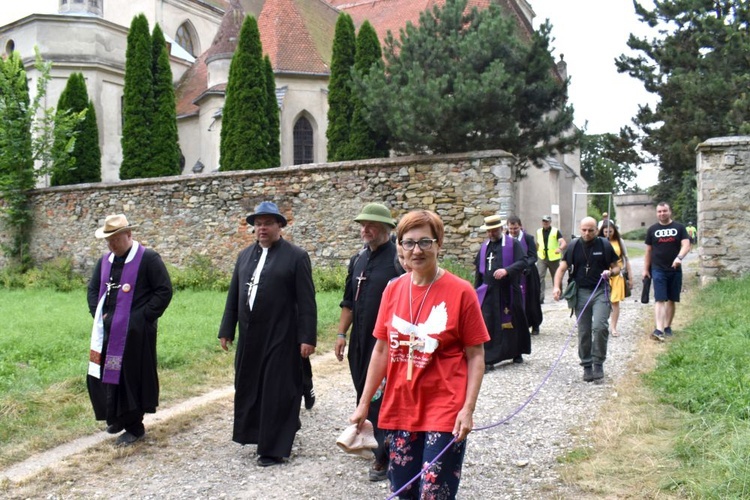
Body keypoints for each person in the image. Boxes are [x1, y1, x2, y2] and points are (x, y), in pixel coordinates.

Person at [349, 209, 489, 499]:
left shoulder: (461, 292)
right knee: (404, 490)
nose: (417, 250)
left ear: (439, 244)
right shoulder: (393, 290)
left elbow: (476, 355)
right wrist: (364, 404)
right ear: (400, 247)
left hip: (445, 408)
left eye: (425, 242)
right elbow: (382, 348)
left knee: (434, 492)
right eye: (409, 242)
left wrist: (468, 409)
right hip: (401, 407)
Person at [218, 201, 317, 467]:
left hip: (281, 334)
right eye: (258, 224)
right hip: (251, 335)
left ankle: (272, 448)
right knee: (249, 385)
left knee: (277, 388)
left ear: (279, 226)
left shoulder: (296, 257)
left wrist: (307, 337)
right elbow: (234, 295)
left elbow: (307, 300)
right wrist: (226, 329)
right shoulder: (244, 256)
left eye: (268, 223)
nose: (262, 228)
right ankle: (256, 434)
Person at [87, 213, 173, 446]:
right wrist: (100, 315)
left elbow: (164, 291)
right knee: (109, 375)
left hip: (135, 336)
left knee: (130, 378)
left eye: (116, 238)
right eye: (109, 240)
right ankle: (116, 416)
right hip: (107, 334)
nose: (112, 244)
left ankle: (134, 426)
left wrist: (142, 318)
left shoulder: (148, 259)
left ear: (128, 235)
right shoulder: (105, 262)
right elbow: (94, 290)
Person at [335, 203, 400, 482]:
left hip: (388, 343)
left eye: (371, 225)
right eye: (362, 225)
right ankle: (370, 440)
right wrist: (340, 334)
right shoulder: (358, 260)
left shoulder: (398, 260)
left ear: (387, 228)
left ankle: (384, 456)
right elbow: (348, 301)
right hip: (360, 343)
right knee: (364, 392)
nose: (365, 230)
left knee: (382, 397)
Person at [552, 217, 619, 382]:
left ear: (596, 230)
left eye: (590, 230)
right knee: (584, 330)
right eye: (584, 230)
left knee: (600, 327)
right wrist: (556, 286)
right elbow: (561, 268)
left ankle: (598, 363)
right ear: (580, 229)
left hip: (600, 291)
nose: (587, 233)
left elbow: (617, 266)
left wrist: (610, 273)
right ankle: (587, 365)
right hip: (580, 292)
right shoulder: (574, 246)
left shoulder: (604, 245)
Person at [475, 215, 529, 369]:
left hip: (508, 289)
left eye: (494, 231)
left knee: (514, 321)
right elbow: (479, 271)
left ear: (501, 229)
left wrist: (507, 270)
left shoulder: (513, 244)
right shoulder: (485, 247)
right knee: (489, 323)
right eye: (489, 231)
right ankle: (489, 359)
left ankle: (516, 351)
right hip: (489, 291)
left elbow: (523, 262)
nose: (491, 234)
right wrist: (475, 290)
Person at [643, 202, 691, 341]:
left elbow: (686, 245)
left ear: (670, 212)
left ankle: (667, 326)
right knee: (659, 298)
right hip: (657, 269)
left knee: (671, 299)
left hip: (675, 269)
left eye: (664, 211)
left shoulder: (679, 228)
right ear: (657, 213)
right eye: (659, 211)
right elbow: (648, 251)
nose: (662, 214)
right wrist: (646, 269)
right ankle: (659, 329)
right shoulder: (652, 230)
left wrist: (679, 258)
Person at [507, 215, 543, 336]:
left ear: (520, 227)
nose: (513, 231)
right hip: (513, 274)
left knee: (531, 299)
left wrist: (523, 265)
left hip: (529, 274)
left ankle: (535, 324)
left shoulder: (528, 238)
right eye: (511, 229)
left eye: (515, 228)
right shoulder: (505, 239)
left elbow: (533, 256)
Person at [600, 221, 632, 337]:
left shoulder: (619, 241)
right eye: (605, 232)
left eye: (610, 231)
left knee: (615, 301)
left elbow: (626, 258)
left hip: (617, 273)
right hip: (603, 274)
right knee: (602, 300)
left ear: (614, 231)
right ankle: (601, 324)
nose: (608, 234)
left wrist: (630, 277)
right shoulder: (599, 242)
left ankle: (613, 327)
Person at [536, 215, 567, 304]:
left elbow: (563, 242)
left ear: (550, 222)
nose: (545, 223)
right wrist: (536, 252)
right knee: (540, 276)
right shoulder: (538, 231)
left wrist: (560, 249)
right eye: (544, 221)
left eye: (547, 221)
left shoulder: (555, 231)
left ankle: (559, 294)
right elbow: (538, 243)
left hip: (553, 257)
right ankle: (540, 297)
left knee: (556, 276)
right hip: (542, 257)